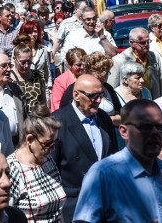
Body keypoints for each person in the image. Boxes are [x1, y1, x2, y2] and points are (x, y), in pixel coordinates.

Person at [73, 99, 162, 222]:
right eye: (145, 127)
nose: (155, 132)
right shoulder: (103, 174)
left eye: (159, 127)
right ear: (124, 132)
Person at [51, 74, 119, 222]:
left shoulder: (104, 119)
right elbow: (51, 170)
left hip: (105, 203)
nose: (99, 100)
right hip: (74, 206)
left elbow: (113, 158)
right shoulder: (57, 122)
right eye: (93, 96)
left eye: (102, 95)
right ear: (76, 95)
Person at [7, 104, 66, 222]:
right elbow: (6, 215)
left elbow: (58, 212)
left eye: (55, 143)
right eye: (48, 144)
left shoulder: (48, 160)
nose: (52, 149)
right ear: (29, 139)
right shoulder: (12, 169)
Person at [108, 27, 162, 99]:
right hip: (131, 106)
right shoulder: (119, 61)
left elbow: (159, 83)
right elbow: (112, 89)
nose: (146, 44)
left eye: (148, 41)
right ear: (132, 43)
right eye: (142, 42)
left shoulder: (153, 56)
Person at [0, 51, 26, 146]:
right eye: (4, 66)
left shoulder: (16, 89)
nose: (8, 69)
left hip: (18, 144)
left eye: (9, 65)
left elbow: (24, 116)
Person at [10, 39, 46, 112]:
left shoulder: (38, 75)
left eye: (29, 62)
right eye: (22, 62)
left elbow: (43, 100)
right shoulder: (9, 79)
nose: (26, 66)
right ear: (14, 59)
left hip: (36, 119)